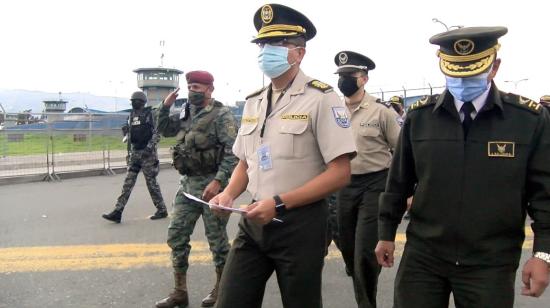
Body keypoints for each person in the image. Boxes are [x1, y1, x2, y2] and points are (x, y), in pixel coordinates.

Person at [375, 26, 550, 308]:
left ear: (494, 67)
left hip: (490, 262)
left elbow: (544, 195)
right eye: (454, 72)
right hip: (424, 256)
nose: (462, 80)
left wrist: (543, 254)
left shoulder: (528, 120)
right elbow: (398, 183)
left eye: (471, 72)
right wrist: (385, 233)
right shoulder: (420, 118)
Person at [210, 4, 356, 308]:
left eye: (277, 44)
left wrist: (278, 202)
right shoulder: (254, 102)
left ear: (299, 53)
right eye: (263, 44)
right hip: (253, 220)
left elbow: (340, 172)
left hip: (300, 224)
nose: (267, 51)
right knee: (231, 301)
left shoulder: (322, 99)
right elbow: (245, 163)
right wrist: (228, 194)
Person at [154, 71, 238, 308]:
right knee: (176, 236)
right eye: (190, 86)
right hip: (188, 186)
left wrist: (219, 181)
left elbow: (233, 152)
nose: (192, 91)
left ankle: (222, 290)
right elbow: (164, 129)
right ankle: (180, 291)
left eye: (198, 87)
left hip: (212, 187)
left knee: (218, 243)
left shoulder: (222, 115)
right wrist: (165, 106)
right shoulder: (185, 113)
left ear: (210, 90)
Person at [334, 50, 401, 308]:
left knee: (364, 251)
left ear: (364, 79)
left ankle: (366, 303)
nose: (344, 80)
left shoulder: (381, 112)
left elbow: (402, 151)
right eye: (341, 75)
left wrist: (403, 189)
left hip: (375, 184)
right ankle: (361, 283)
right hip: (343, 184)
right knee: (348, 248)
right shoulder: (333, 110)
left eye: (350, 75)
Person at [102, 91, 167, 223]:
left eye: (135, 101)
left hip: (148, 155)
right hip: (135, 154)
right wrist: (126, 131)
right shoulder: (131, 116)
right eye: (132, 101)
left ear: (141, 102)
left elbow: (157, 134)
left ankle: (161, 209)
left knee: (151, 184)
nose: (133, 103)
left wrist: (149, 148)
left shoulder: (150, 114)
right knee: (128, 183)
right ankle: (118, 211)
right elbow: (128, 132)